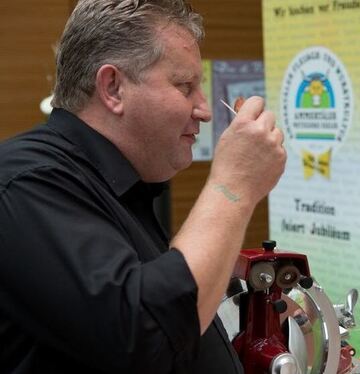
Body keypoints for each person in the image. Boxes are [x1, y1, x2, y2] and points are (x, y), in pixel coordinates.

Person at [0, 1, 285, 373]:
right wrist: (235, 184)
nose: (205, 110)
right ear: (113, 87)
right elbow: (146, 335)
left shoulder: (121, 184)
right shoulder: (28, 179)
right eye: (184, 86)